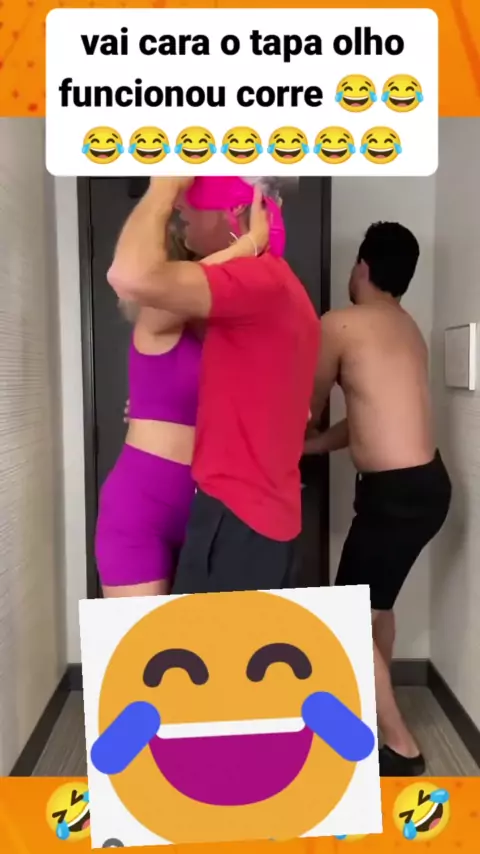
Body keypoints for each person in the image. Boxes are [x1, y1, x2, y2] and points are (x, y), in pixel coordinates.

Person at [107, 176, 319, 594]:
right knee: (154, 635)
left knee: (206, 635)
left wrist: (166, 185)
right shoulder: (259, 300)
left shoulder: (257, 286)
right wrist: (246, 245)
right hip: (187, 508)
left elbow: (133, 275)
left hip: (235, 513)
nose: (181, 211)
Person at [305, 221, 452, 777]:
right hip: (428, 485)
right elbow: (370, 416)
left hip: (394, 495)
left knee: (348, 616)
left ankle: (401, 748)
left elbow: (308, 404)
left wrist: (292, 435)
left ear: (362, 267)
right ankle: (370, 702)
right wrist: (315, 446)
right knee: (377, 605)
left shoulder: (339, 323)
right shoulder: (407, 328)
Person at [96, 208, 269, 598]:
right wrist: (248, 243)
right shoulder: (155, 320)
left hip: (213, 510)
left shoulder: (229, 335)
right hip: (142, 510)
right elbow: (157, 288)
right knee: (141, 637)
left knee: (213, 636)